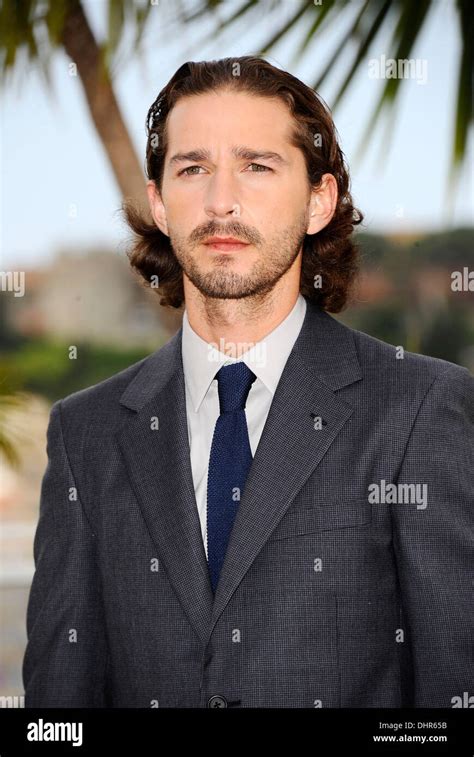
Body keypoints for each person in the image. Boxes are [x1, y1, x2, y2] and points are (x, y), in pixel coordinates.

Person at [23, 55, 473, 708]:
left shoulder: (420, 409)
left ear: (320, 201)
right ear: (159, 203)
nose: (220, 200)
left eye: (257, 166)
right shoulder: (84, 432)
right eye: (192, 168)